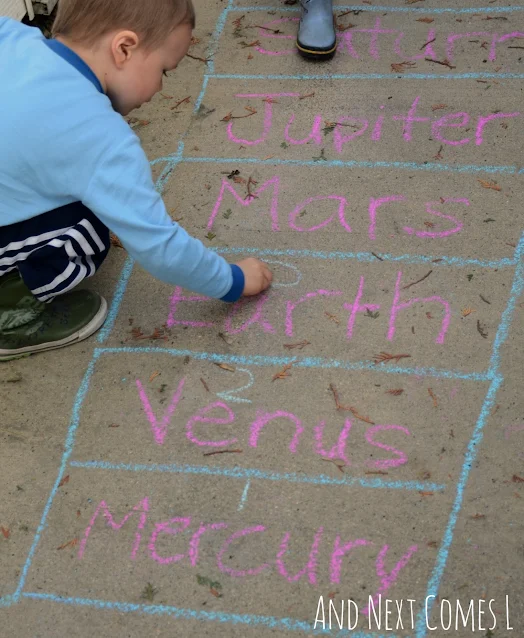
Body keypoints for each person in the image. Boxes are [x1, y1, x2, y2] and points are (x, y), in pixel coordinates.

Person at [0, 0, 272, 361]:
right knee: (92, 225)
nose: (160, 86)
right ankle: (11, 316)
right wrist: (232, 280)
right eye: (164, 70)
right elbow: (158, 245)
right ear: (124, 48)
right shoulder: (100, 137)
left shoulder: (12, 35)